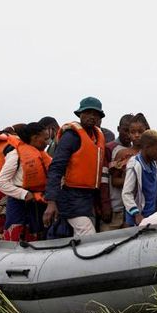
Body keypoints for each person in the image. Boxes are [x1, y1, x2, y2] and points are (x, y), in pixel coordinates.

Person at [43, 97, 110, 237]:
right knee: (88, 233)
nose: (92, 116)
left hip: (87, 197)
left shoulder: (97, 137)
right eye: (88, 112)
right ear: (80, 114)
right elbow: (56, 168)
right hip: (70, 196)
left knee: (81, 233)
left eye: (95, 114)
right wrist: (51, 202)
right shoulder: (71, 136)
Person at [0, 122, 52, 242]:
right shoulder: (15, 155)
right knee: (18, 234)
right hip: (19, 202)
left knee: (41, 234)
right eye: (46, 139)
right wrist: (24, 194)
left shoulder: (43, 155)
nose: (48, 142)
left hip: (40, 201)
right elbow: (1, 183)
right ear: (35, 138)